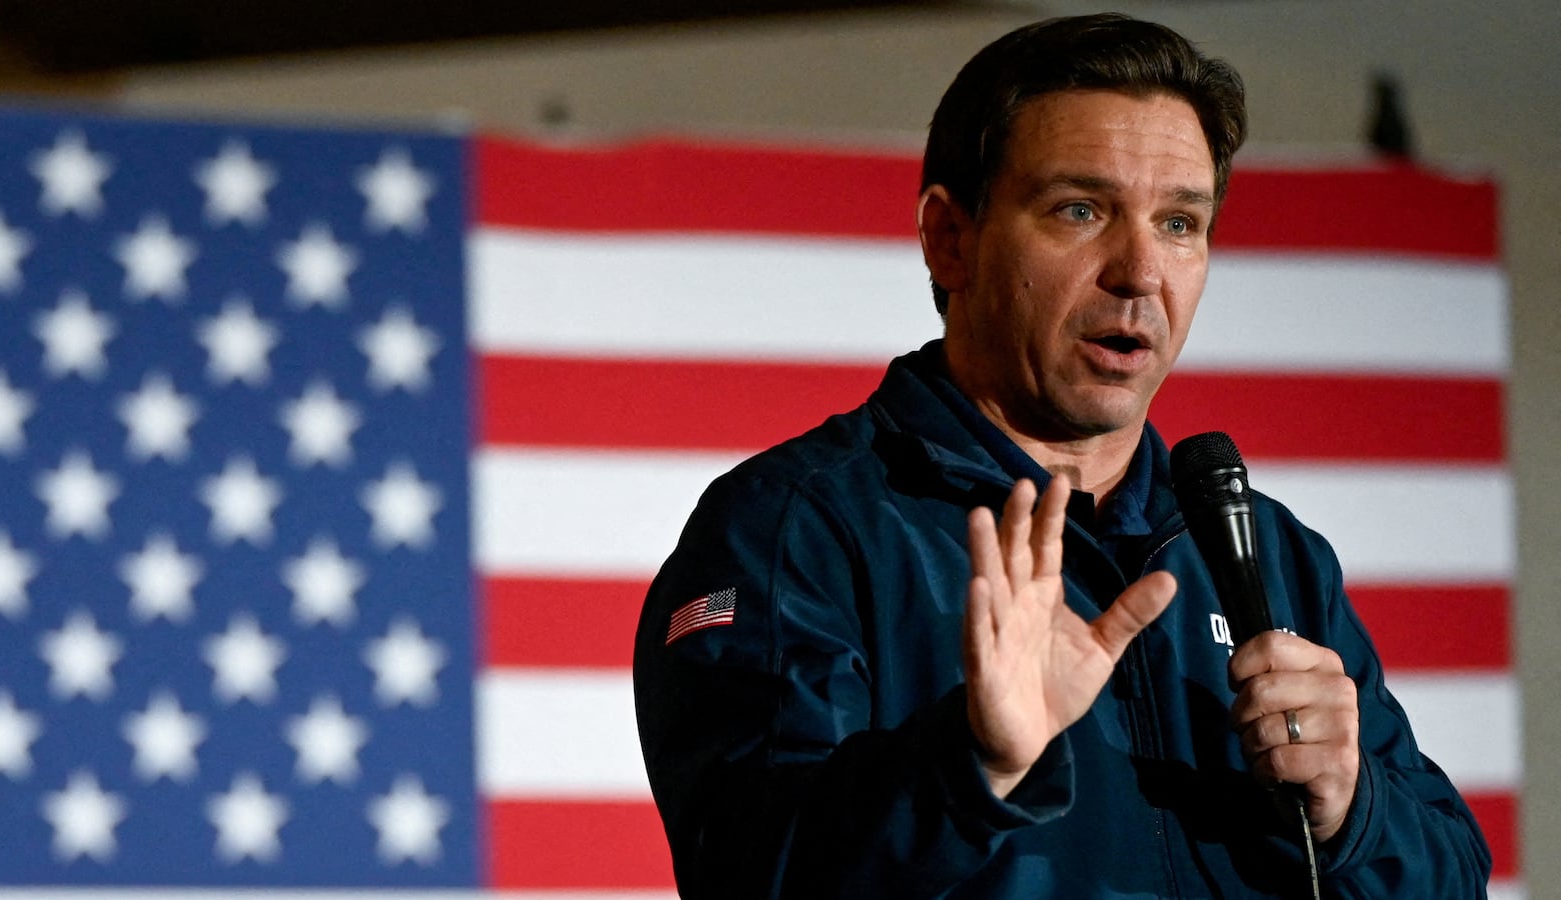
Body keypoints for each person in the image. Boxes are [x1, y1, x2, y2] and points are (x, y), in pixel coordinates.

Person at [633, 13, 1492, 898]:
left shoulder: (1268, 555)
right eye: (1080, 210)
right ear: (949, 238)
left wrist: (1355, 810)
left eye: (1180, 222)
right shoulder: (796, 529)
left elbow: (1456, 879)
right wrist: (973, 763)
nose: (1139, 269)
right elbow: (750, 870)